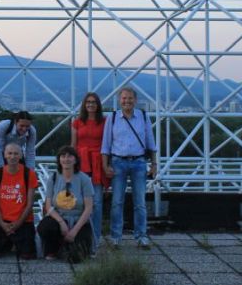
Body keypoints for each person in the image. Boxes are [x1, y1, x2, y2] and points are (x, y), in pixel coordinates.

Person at [101, 86, 157, 248]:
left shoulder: (143, 117)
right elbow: (106, 144)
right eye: (124, 98)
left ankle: (141, 236)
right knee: (117, 201)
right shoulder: (112, 118)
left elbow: (150, 142)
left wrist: (154, 164)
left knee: (140, 202)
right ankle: (115, 237)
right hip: (118, 162)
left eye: (130, 98)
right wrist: (105, 165)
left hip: (139, 162)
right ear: (119, 100)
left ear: (136, 100)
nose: (127, 101)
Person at [37, 146, 94, 263]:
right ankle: (53, 249)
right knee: (46, 227)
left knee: (77, 258)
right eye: (63, 156)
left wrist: (74, 231)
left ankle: (68, 246)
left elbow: (88, 208)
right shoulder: (53, 178)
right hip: (58, 218)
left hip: (78, 220)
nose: (66, 159)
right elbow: (48, 205)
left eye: (70, 156)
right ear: (59, 159)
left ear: (76, 160)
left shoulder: (85, 179)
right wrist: (61, 222)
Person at [0, 142, 37, 259]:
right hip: (2, 220)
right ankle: (8, 241)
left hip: (23, 220)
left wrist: (18, 224)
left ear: (21, 155)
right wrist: (2, 224)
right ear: (5, 155)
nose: (12, 156)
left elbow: (29, 204)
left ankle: (11, 240)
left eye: (16, 153)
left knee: (28, 255)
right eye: (10, 153)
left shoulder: (29, 174)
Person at [71, 92, 107, 252]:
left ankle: (95, 238)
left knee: (97, 203)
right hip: (82, 163)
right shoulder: (77, 122)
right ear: (84, 105)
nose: (91, 105)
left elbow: (107, 144)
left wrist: (107, 164)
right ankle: (82, 236)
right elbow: (73, 145)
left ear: (98, 105)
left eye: (93, 102)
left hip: (98, 163)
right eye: (88, 102)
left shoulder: (105, 122)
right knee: (80, 202)